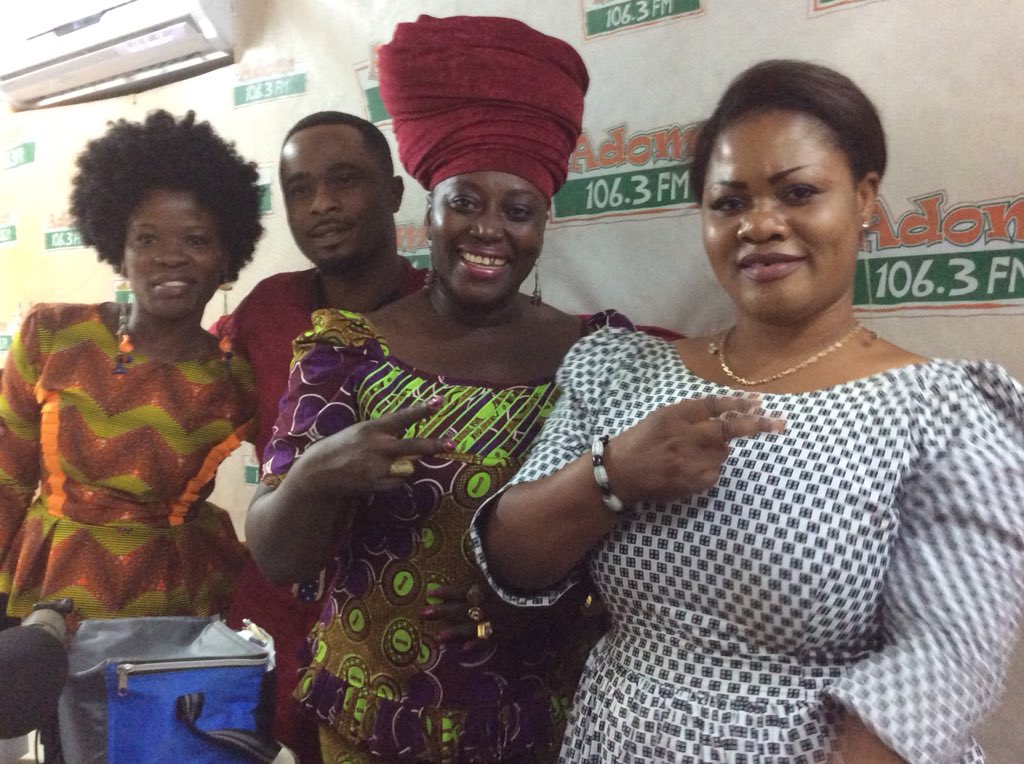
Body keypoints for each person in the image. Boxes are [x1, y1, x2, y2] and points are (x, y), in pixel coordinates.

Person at [473, 59, 1024, 764]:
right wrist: (614, 474)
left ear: (864, 199)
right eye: (729, 203)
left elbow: (948, 658)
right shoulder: (620, 370)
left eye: (798, 193)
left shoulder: (943, 412)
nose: (760, 225)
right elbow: (511, 561)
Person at [244, 15, 632, 763]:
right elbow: (276, 556)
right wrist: (318, 474)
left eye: (517, 211)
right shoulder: (346, 349)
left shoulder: (596, 356)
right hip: (370, 717)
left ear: (542, 225)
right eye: (465, 202)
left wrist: (539, 606)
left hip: (534, 718)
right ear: (428, 208)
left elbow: (630, 540)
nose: (489, 230)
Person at [0, 110, 263, 625]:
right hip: (43, 598)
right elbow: (5, 479)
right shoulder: (52, 335)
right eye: (147, 239)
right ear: (119, 253)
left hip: (171, 608)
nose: (170, 257)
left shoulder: (236, 381)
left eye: (196, 239)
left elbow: (291, 477)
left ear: (227, 257)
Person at [219, 111, 426, 764]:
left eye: (344, 180)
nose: (322, 204)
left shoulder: (444, 313)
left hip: (396, 640)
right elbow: (189, 390)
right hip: (272, 628)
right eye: (300, 189)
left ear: (394, 193)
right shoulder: (266, 310)